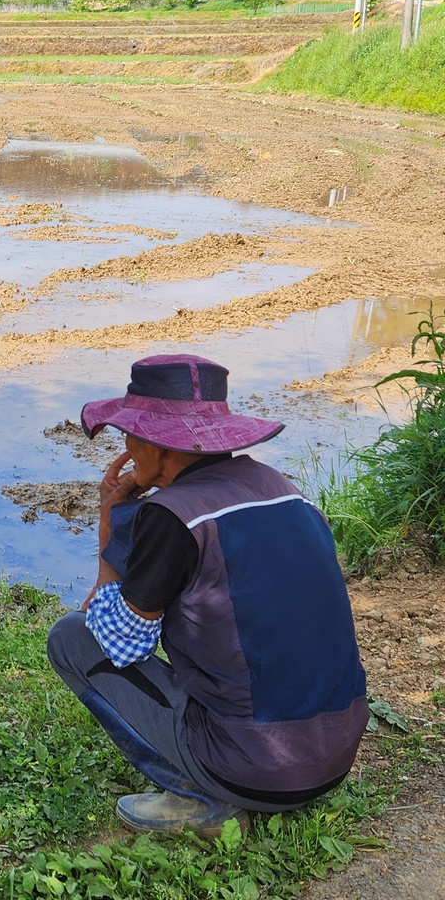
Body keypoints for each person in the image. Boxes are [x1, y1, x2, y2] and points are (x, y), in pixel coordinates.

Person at [46, 354, 367, 837]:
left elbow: (120, 643)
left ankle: (200, 798)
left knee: (71, 637)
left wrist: (109, 526)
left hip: (256, 770)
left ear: (162, 444)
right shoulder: (283, 489)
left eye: (133, 436)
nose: (128, 450)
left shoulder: (172, 516)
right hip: (336, 750)